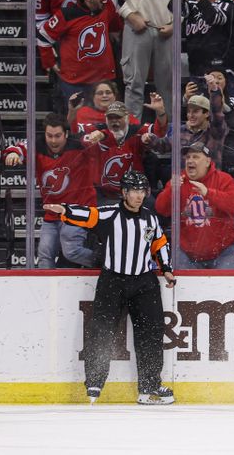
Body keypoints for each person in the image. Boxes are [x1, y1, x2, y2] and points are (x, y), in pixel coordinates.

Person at [44, 171, 176, 405]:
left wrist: (166, 267)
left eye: (142, 191)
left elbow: (159, 242)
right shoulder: (110, 214)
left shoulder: (150, 218)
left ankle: (149, 385)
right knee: (101, 330)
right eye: (133, 190)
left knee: (151, 334)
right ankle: (94, 382)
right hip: (113, 280)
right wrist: (65, 210)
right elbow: (89, 215)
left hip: (145, 282)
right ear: (124, 193)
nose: (138, 195)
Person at [3, 113, 98, 269]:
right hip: (52, 214)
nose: (53, 141)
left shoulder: (79, 146)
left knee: (71, 250)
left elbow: (104, 138)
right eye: (50, 136)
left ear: (66, 134)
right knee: (44, 254)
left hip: (77, 211)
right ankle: (45, 293)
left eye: (58, 136)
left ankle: (108, 264)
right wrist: (13, 153)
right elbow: (18, 147)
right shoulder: (37, 146)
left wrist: (99, 134)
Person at [37, 0, 134, 105]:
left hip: (102, 80)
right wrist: (50, 63)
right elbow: (43, 37)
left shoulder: (105, 7)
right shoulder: (66, 14)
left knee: (103, 121)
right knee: (75, 120)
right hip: (74, 81)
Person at [110, 0, 174, 120]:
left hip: (165, 32)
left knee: (168, 86)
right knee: (134, 85)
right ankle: (133, 135)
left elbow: (179, 1)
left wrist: (174, 24)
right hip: (137, 29)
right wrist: (130, 15)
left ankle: (168, 135)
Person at [155, 142, 234, 269]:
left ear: (207, 162)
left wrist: (208, 193)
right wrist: (171, 191)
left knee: (225, 287)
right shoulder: (179, 181)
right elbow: (161, 209)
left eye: (195, 157)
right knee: (182, 284)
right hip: (187, 254)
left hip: (224, 252)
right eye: (188, 157)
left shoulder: (224, 179)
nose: (190, 160)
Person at [82, 98, 168, 204]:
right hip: (104, 194)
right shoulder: (96, 130)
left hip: (134, 192)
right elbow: (81, 136)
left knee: (153, 206)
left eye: (118, 117)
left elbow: (159, 131)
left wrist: (160, 112)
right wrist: (99, 135)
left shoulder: (136, 131)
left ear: (127, 118)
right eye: (111, 118)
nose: (114, 121)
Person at [184, 0, 234, 77]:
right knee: (196, 93)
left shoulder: (227, 4)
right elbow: (172, 7)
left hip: (218, 67)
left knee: (216, 93)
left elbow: (214, 18)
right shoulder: (194, 4)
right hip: (195, 64)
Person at [68, 81, 141, 135]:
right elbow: (72, 131)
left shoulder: (123, 114)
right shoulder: (83, 112)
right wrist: (72, 111)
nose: (104, 95)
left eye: (108, 92)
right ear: (93, 97)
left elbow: (137, 128)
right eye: (100, 93)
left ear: (115, 96)